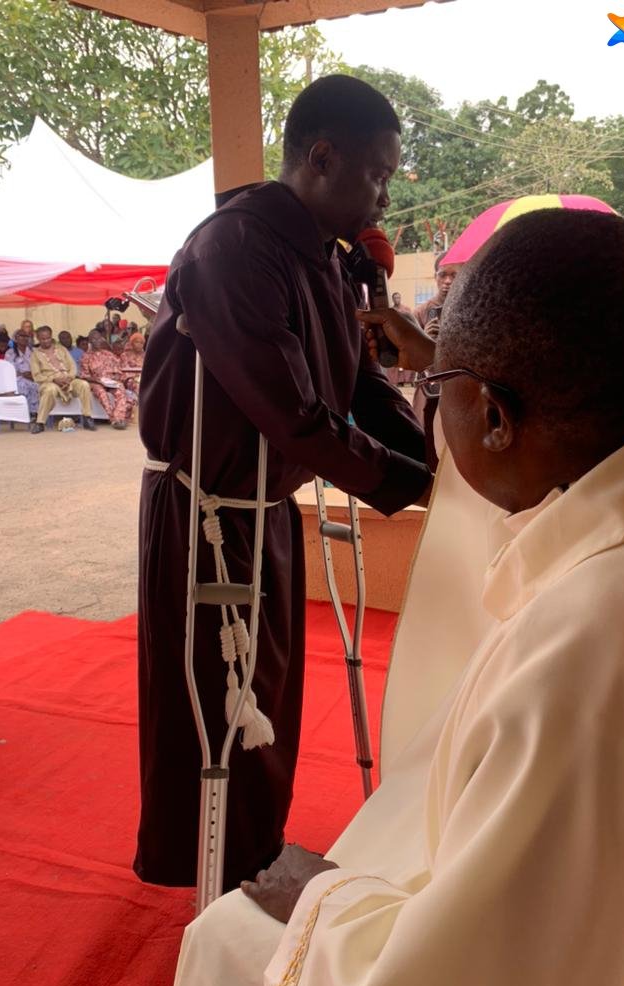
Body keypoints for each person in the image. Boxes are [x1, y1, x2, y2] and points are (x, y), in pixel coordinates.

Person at [155, 209, 624, 986]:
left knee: (222, 946)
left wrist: (320, 903)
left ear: (493, 416)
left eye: (439, 392)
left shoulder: (589, 643)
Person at [136, 74, 431, 892]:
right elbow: (295, 413)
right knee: (216, 697)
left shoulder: (325, 260)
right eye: (377, 173)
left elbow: (356, 387)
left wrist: (435, 467)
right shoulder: (236, 247)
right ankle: (219, 875)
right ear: (324, 156)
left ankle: (255, 855)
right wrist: (412, 487)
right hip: (207, 509)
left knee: (266, 690)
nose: (382, 197)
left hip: (262, 507)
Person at [411, 254, 459, 469]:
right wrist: (425, 338)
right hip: (430, 392)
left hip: (458, 390)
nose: (447, 281)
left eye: (454, 275)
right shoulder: (420, 313)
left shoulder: (467, 308)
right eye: (443, 275)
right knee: (431, 451)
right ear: (435, 277)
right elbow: (409, 357)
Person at [29, 325, 94, 434]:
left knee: (84, 385)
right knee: (49, 390)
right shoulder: (35, 355)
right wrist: (54, 379)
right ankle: (40, 423)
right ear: (38, 339)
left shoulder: (61, 349)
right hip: (49, 382)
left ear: (51, 336)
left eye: (48, 338)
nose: (46, 341)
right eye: (43, 339)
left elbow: (73, 366)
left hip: (68, 379)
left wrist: (69, 378)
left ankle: (87, 418)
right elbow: (37, 376)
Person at [79, 329, 132, 429]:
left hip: (110, 381)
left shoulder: (108, 354)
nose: (98, 341)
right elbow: (84, 375)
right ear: (90, 341)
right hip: (95, 382)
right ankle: (114, 420)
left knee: (120, 389)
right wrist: (98, 380)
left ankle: (119, 418)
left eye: (99, 338)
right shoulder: (86, 356)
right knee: (101, 392)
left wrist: (115, 378)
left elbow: (118, 369)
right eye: (94, 339)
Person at [5, 329, 40, 417]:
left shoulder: (34, 352)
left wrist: (33, 375)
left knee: (39, 385)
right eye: (21, 336)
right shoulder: (10, 353)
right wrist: (24, 375)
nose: (24, 338)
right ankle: (26, 413)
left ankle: (35, 413)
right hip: (17, 379)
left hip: (34, 377)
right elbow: (10, 371)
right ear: (15, 339)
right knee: (24, 385)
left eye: (26, 336)